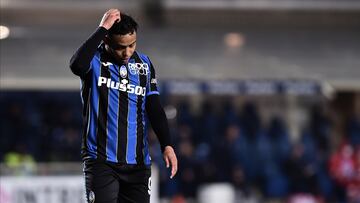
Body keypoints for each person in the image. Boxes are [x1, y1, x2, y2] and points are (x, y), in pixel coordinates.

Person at [69, 9, 178, 203]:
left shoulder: (144, 64)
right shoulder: (94, 61)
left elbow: (154, 107)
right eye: (121, 47)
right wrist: (102, 28)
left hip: (138, 164)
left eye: (132, 45)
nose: (127, 52)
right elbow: (76, 65)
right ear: (106, 41)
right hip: (101, 162)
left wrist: (167, 144)